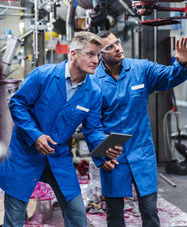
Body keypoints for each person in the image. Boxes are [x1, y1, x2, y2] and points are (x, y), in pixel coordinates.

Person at [0, 31, 122, 227]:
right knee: (14, 219)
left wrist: (104, 149)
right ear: (73, 53)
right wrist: (36, 136)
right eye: (90, 54)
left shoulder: (93, 92)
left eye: (98, 55)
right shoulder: (43, 75)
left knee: (77, 214)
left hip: (57, 156)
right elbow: (17, 105)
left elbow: (93, 130)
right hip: (24, 154)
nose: (96, 60)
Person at [92, 30, 187, 227]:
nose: (117, 48)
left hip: (141, 151)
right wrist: (101, 156)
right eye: (110, 47)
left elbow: (169, 77)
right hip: (113, 155)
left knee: (149, 210)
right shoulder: (94, 81)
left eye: (117, 43)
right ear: (100, 54)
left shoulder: (141, 69)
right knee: (114, 214)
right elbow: (92, 124)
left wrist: (181, 64)